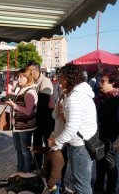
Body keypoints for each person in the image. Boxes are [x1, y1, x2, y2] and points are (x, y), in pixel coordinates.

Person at [48, 65, 97, 194]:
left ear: (67, 79)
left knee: (82, 186)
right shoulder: (77, 94)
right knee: (81, 183)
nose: (59, 81)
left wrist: (56, 141)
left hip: (80, 147)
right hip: (81, 143)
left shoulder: (75, 98)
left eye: (61, 78)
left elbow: (71, 128)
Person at [6, 68, 38, 173]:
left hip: (25, 127)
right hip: (18, 126)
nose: (18, 79)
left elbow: (28, 111)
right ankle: (20, 171)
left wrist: (14, 105)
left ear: (28, 78)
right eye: (18, 77)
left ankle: (27, 173)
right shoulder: (22, 89)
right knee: (19, 150)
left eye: (21, 77)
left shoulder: (31, 92)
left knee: (25, 151)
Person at [94, 70, 119, 194]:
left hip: (111, 139)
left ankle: (111, 190)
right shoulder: (101, 98)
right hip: (101, 138)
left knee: (110, 166)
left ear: (113, 83)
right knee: (100, 166)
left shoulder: (116, 99)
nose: (100, 84)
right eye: (100, 81)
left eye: (103, 81)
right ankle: (98, 189)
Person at [26, 61, 54, 169]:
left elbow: (43, 104)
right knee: (37, 143)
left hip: (46, 119)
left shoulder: (45, 82)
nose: (27, 73)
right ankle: (37, 165)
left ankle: (48, 167)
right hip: (38, 119)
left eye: (29, 71)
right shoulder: (34, 81)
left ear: (35, 71)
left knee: (47, 144)